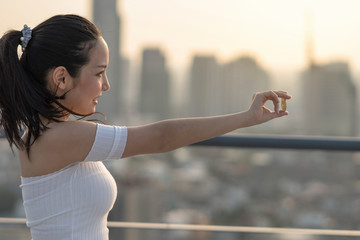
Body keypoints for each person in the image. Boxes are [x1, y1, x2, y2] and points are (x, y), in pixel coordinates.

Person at [0, 14, 291, 240]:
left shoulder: (46, 136)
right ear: (61, 78)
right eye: (99, 73)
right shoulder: (59, 138)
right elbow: (160, 138)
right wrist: (245, 117)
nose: (106, 85)